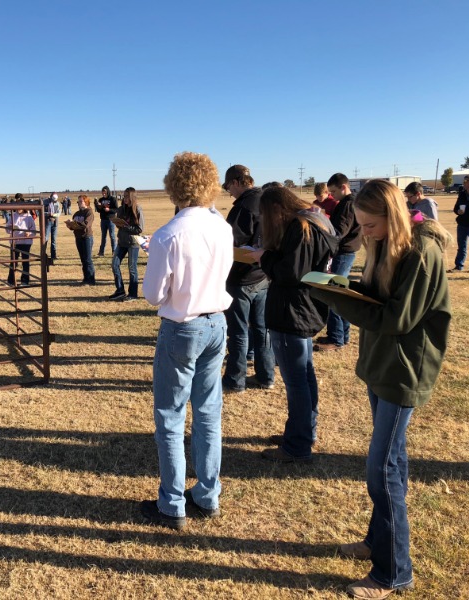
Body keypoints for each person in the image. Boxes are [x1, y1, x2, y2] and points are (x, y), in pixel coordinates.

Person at [308, 179, 451, 599]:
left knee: (382, 470)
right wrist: (341, 286)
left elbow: (396, 319)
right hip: (382, 364)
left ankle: (393, 572)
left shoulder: (421, 253)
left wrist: (335, 299)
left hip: (403, 370)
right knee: (393, 461)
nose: (364, 233)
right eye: (361, 225)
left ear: (393, 216)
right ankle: (377, 540)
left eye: (370, 225)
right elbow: (376, 297)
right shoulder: (387, 246)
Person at [140, 152, 233, 531]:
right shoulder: (222, 227)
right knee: (209, 412)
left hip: (183, 327)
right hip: (217, 324)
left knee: (170, 415)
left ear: (173, 186)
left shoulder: (168, 235)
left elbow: (153, 295)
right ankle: (208, 494)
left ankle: (173, 502)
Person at [247, 187, 337, 463]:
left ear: (276, 208)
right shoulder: (315, 220)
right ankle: (303, 432)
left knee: (297, 381)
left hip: (291, 313)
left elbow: (290, 272)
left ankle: (297, 445)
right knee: (305, 376)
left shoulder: (300, 228)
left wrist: (264, 257)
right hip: (306, 308)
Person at [220, 165, 275, 393]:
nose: (229, 192)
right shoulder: (267, 200)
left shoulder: (244, 206)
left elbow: (232, 240)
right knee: (262, 329)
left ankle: (235, 380)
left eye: (228, 187)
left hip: (242, 279)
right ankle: (266, 375)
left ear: (235, 182)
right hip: (263, 275)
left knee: (239, 331)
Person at [314, 173, 361, 351]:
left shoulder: (348, 204)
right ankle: (343, 335)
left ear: (343, 187)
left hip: (343, 252)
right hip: (346, 251)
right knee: (340, 293)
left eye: (333, 191)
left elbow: (339, 231)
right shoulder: (350, 202)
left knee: (334, 294)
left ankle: (336, 338)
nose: (332, 195)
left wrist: (322, 227)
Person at [109, 187, 145, 302]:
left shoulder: (137, 210)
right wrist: (117, 223)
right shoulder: (121, 209)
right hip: (122, 242)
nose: (124, 198)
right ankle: (120, 290)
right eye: (123, 196)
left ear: (132, 197)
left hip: (132, 243)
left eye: (126, 196)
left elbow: (139, 229)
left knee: (132, 268)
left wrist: (126, 226)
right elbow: (119, 224)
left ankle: (133, 294)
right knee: (115, 264)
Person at [66, 195, 96, 285]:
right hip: (78, 237)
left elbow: (86, 224)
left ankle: (91, 279)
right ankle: (86, 278)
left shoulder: (89, 212)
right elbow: (74, 227)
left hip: (86, 237)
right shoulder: (77, 213)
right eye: (78, 201)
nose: (79, 203)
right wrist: (70, 225)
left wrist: (75, 223)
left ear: (86, 202)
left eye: (81, 201)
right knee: (83, 259)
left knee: (88, 259)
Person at [6, 205, 37, 286]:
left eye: (20, 207)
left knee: (25, 261)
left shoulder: (29, 217)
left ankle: (25, 281)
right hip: (15, 242)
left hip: (25, 242)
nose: (18, 208)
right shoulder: (13, 215)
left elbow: (34, 230)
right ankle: (10, 280)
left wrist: (29, 233)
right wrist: (11, 228)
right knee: (13, 261)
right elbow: (7, 228)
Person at [94, 186, 118, 256]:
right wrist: (97, 205)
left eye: (105, 193)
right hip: (103, 220)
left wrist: (109, 210)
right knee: (103, 236)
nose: (104, 194)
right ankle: (101, 252)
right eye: (103, 193)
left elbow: (116, 209)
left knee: (112, 236)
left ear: (108, 192)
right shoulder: (101, 200)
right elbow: (99, 210)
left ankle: (114, 251)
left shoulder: (113, 199)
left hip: (111, 220)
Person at [43, 193, 61, 266]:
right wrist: (48, 214)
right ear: (50, 197)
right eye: (53, 200)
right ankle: (43, 254)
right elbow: (40, 212)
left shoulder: (58, 203)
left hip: (55, 222)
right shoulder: (45, 202)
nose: (54, 202)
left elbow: (59, 212)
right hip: (48, 222)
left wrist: (56, 214)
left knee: (53, 240)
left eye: (55, 200)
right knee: (45, 239)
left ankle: (53, 255)